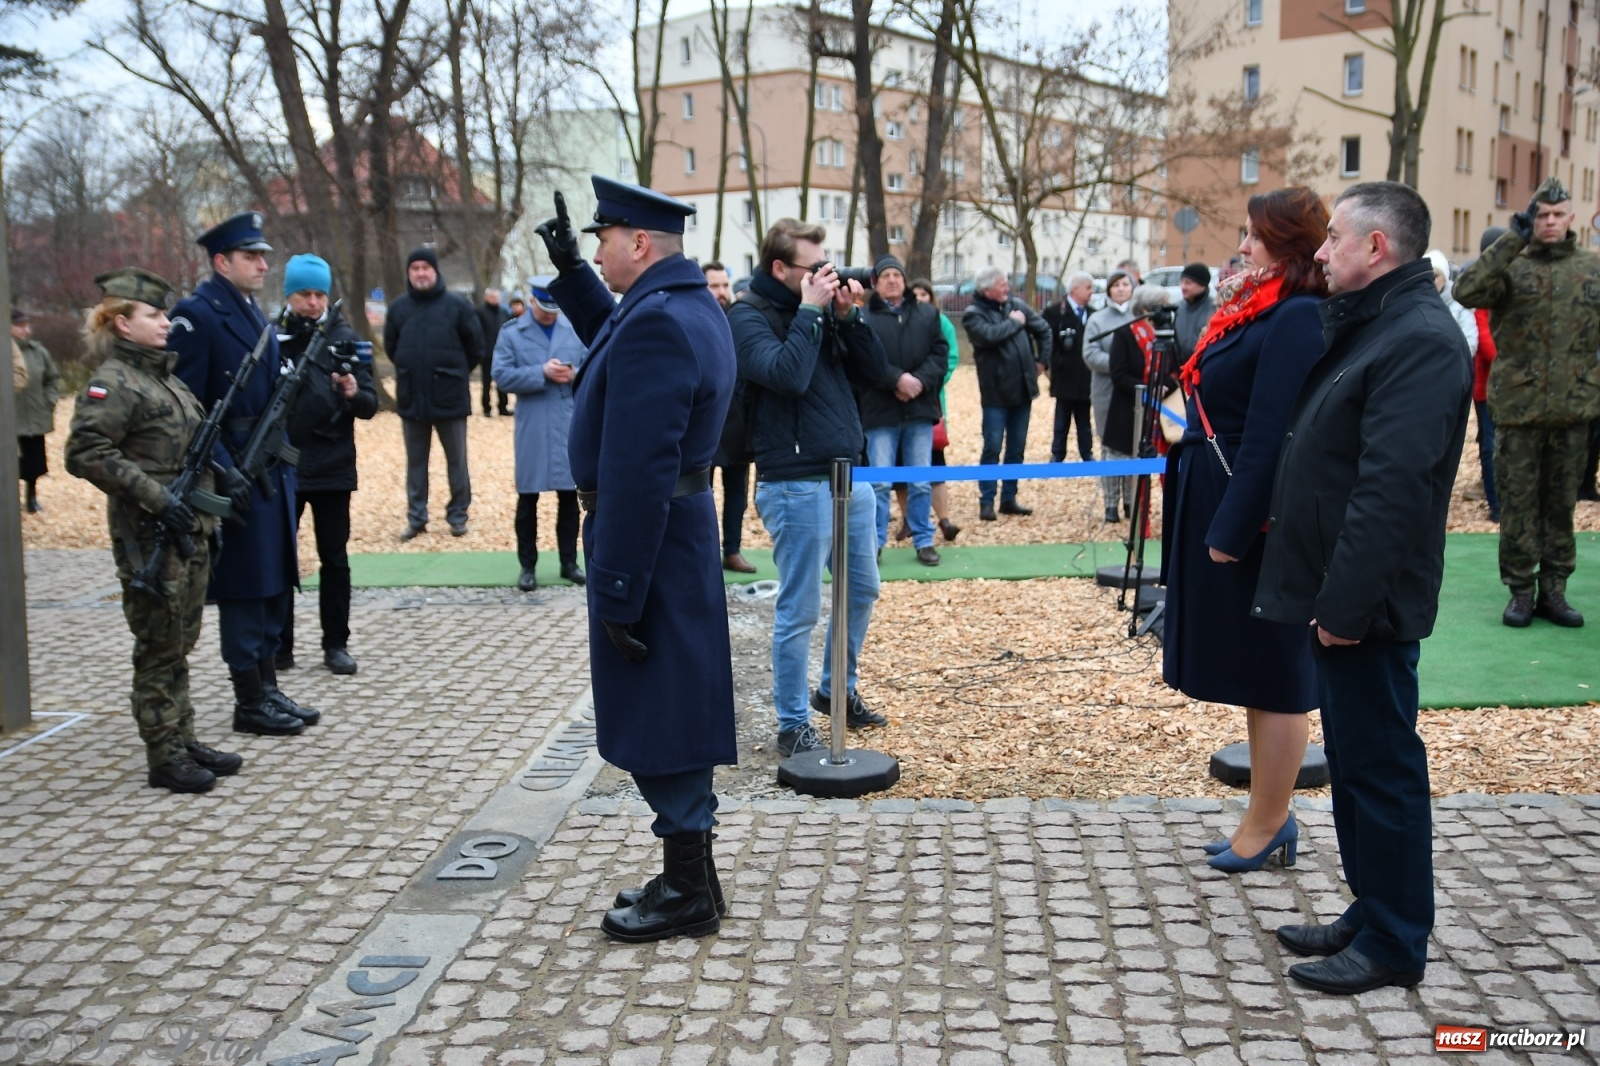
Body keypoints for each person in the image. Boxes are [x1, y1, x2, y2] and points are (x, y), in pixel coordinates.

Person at [1256, 180, 1472, 995]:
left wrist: (1344, 608)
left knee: (1381, 766)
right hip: (1343, 594)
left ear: (1375, 247)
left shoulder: (1416, 337)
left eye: (1334, 238)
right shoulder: (1381, 322)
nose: (1321, 250)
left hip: (1367, 604)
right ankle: (1374, 904)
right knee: (1355, 758)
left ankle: (1393, 938)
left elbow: (1392, 489)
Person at [537, 177, 737, 943]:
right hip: (675, 534)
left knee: (664, 713)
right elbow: (621, 336)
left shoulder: (662, 320)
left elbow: (638, 467)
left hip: (650, 538)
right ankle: (697, 876)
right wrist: (572, 277)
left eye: (600, 240)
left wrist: (618, 588)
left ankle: (688, 889)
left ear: (640, 244)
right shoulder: (684, 304)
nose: (597, 249)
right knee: (674, 703)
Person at [1160, 187, 1329, 874]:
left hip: (1251, 511)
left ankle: (1269, 824)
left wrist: (1234, 526)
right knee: (1257, 671)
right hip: (1219, 493)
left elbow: (1270, 433)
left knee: (1276, 670)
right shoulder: (1260, 307)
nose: (1243, 246)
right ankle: (1262, 817)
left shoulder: (1294, 315)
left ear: (1287, 245)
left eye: (1256, 237)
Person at [64, 268, 245, 793]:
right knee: (158, 644)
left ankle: (182, 738)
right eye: (154, 315)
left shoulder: (164, 377)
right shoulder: (113, 383)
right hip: (151, 535)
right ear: (122, 323)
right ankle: (163, 754)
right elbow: (85, 452)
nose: (166, 322)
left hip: (187, 527)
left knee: (180, 641)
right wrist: (156, 497)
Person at [730, 218, 897, 756]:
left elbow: (876, 374)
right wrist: (808, 311)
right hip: (794, 482)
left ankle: (836, 691)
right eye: (814, 267)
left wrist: (847, 317)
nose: (827, 274)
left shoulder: (826, 311)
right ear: (781, 269)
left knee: (862, 589)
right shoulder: (746, 316)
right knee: (800, 607)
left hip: (849, 474)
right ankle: (791, 720)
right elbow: (787, 377)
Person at [169, 211, 313, 739]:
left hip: (271, 465)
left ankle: (268, 686)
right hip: (234, 468)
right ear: (220, 261)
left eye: (263, 256)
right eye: (251, 256)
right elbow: (188, 407)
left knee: (276, 579)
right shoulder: (197, 315)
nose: (261, 264)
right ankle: (248, 699)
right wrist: (225, 470)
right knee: (246, 587)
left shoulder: (254, 313)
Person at [1455, 176, 1600, 627]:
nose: (1550, 222)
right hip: (1518, 410)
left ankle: (1554, 590)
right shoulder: (1511, 267)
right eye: (1541, 215)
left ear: (1571, 218)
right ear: (1529, 220)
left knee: (1560, 504)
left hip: (1574, 408)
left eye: (1558, 214)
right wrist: (1510, 242)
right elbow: (1466, 290)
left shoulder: (1591, 269)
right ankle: (1520, 591)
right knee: (1517, 503)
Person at [275, 254, 378, 676]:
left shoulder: (345, 338)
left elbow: (370, 406)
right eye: (304, 294)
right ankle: (279, 644)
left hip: (333, 465)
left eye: (320, 294)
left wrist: (353, 391)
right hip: (283, 465)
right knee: (280, 556)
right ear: (289, 295)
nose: (314, 302)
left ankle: (336, 643)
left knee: (333, 557)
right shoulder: (272, 337)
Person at [492, 276, 587, 592]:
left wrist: (574, 375)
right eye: (544, 308)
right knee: (528, 498)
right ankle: (527, 566)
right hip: (532, 423)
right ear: (531, 301)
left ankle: (569, 562)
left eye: (554, 309)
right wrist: (540, 373)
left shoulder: (573, 328)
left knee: (569, 497)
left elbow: (593, 368)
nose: (550, 315)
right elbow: (501, 375)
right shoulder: (512, 333)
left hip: (567, 421)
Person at [384, 246, 485, 540]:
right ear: (408, 274)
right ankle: (417, 517)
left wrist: (452, 374)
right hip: (411, 397)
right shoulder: (398, 308)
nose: (420, 273)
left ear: (435, 271)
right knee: (416, 462)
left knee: (457, 461)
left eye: (424, 268)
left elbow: (475, 347)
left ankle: (458, 515)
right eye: (414, 269)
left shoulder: (457, 306)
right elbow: (392, 348)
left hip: (450, 398)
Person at [860, 255, 948, 566]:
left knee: (920, 480)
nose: (893, 280)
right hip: (880, 410)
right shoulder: (864, 317)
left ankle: (924, 540)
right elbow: (862, 360)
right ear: (876, 282)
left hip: (919, 409)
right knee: (880, 482)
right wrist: (896, 380)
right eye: (886, 275)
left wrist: (918, 383)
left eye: (897, 274)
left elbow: (940, 353)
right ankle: (874, 542)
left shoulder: (926, 313)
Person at [962, 265, 1051, 521]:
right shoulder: (972, 314)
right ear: (986, 290)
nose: (1007, 288)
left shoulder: (1017, 305)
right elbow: (988, 336)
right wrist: (1014, 323)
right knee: (992, 446)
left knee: (1016, 447)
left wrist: (1041, 361)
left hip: (1022, 389)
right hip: (995, 393)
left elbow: (1043, 329)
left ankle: (1009, 498)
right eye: (1002, 285)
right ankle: (986, 501)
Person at [704, 260, 756, 574]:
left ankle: (732, 550)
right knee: (701, 493)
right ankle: (705, 552)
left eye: (725, 285)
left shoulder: (741, 320)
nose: (722, 292)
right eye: (715, 286)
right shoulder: (690, 319)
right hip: (704, 423)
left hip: (739, 421)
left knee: (738, 492)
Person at [1103, 285, 1175, 511]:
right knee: (1130, 462)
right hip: (1131, 408)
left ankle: (1171, 514)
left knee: (1165, 464)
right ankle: (1129, 510)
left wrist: (1164, 386)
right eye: (1161, 306)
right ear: (1147, 308)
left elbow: (1175, 369)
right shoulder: (1125, 333)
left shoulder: (1167, 333)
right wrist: (1146, 388)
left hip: (1162, 414)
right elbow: (1119, 374)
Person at [909, 278, 961, 542]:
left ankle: (943, 518)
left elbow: (950, 357)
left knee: (935, 461)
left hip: (930, 400)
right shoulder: (901, 320)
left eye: (924, 294)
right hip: (900, 401)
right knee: (901, 468)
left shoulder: (941, 323)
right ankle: (910, 519)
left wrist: (929, 381)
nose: (919, 298)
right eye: (914, 294)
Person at [1084, 269, 1136, 522]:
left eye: (1126, 284)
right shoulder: (1098, 320)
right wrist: (1119, 364)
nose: (1121, 289)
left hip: (1133, 394)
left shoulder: (1139, 316)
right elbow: (1090, 353)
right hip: (1106, 391)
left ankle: (1131, 501)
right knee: (1110, 447)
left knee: (1133, 447)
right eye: (1116, 285)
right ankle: (1110, 504)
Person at [1469, 227, 1505, 522]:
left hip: (1518, 386)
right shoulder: (1481, 289)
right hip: (1489, 386)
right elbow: (1485, 342)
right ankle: (1496, 504)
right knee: (1490, 445)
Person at [11, 309, 61, 514]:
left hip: (34, 415)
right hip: (11, 419)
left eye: (27, 325)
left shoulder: (38, 351)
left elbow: (52, 379)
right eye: (20, 326)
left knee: (33, 462)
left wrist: (48, 402)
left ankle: (31, 497)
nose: (26, 330)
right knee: (9, 462)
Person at [1043, 272, 1095, 464]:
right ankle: (1058, 452)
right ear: (1075, 289)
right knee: (1062, 417)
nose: (1092, 292)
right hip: (1064, 375)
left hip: (1086, 375)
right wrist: (1055, 364)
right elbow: (1048, 342)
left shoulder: (1093, 313)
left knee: (1084, 417)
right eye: (1088, 288)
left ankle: (1086, 452)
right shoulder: (1055, 313)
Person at [1426, 249, 1478, 356]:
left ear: (1445, 278)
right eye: (1427, 276)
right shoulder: (1416, 303)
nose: (1431, 281)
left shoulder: (1459, 304)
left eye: (1435, 276)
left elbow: (1470, 343)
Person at [477, 288, 513, 416]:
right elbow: (477, 333)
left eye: (497, 297)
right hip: (487, 352)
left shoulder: (504, 312)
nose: (495, 299)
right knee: (486, 381)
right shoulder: (480, 313)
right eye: (492, 297)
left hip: (503, 352)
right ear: (487, 298)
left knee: (502, 380)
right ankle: (486, 407)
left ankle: (503, 406)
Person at [1173, 262, 1215, 363]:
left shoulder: (1214, 309)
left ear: (1202, 285)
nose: (1183, 287)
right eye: (1181, 282)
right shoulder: (1178, 308)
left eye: (1188, 283)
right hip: (1180, 369)